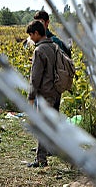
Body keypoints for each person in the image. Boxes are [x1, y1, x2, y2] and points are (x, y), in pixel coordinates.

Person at [26, 20, 61, 168]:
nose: (30, 38)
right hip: (55, 92)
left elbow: (35, 77)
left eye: (30, 34)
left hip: (44, 93)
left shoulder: (39, 51)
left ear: (36, 33)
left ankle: (41, 159)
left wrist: (31, 96)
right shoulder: (54, 46)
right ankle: (48, 151)